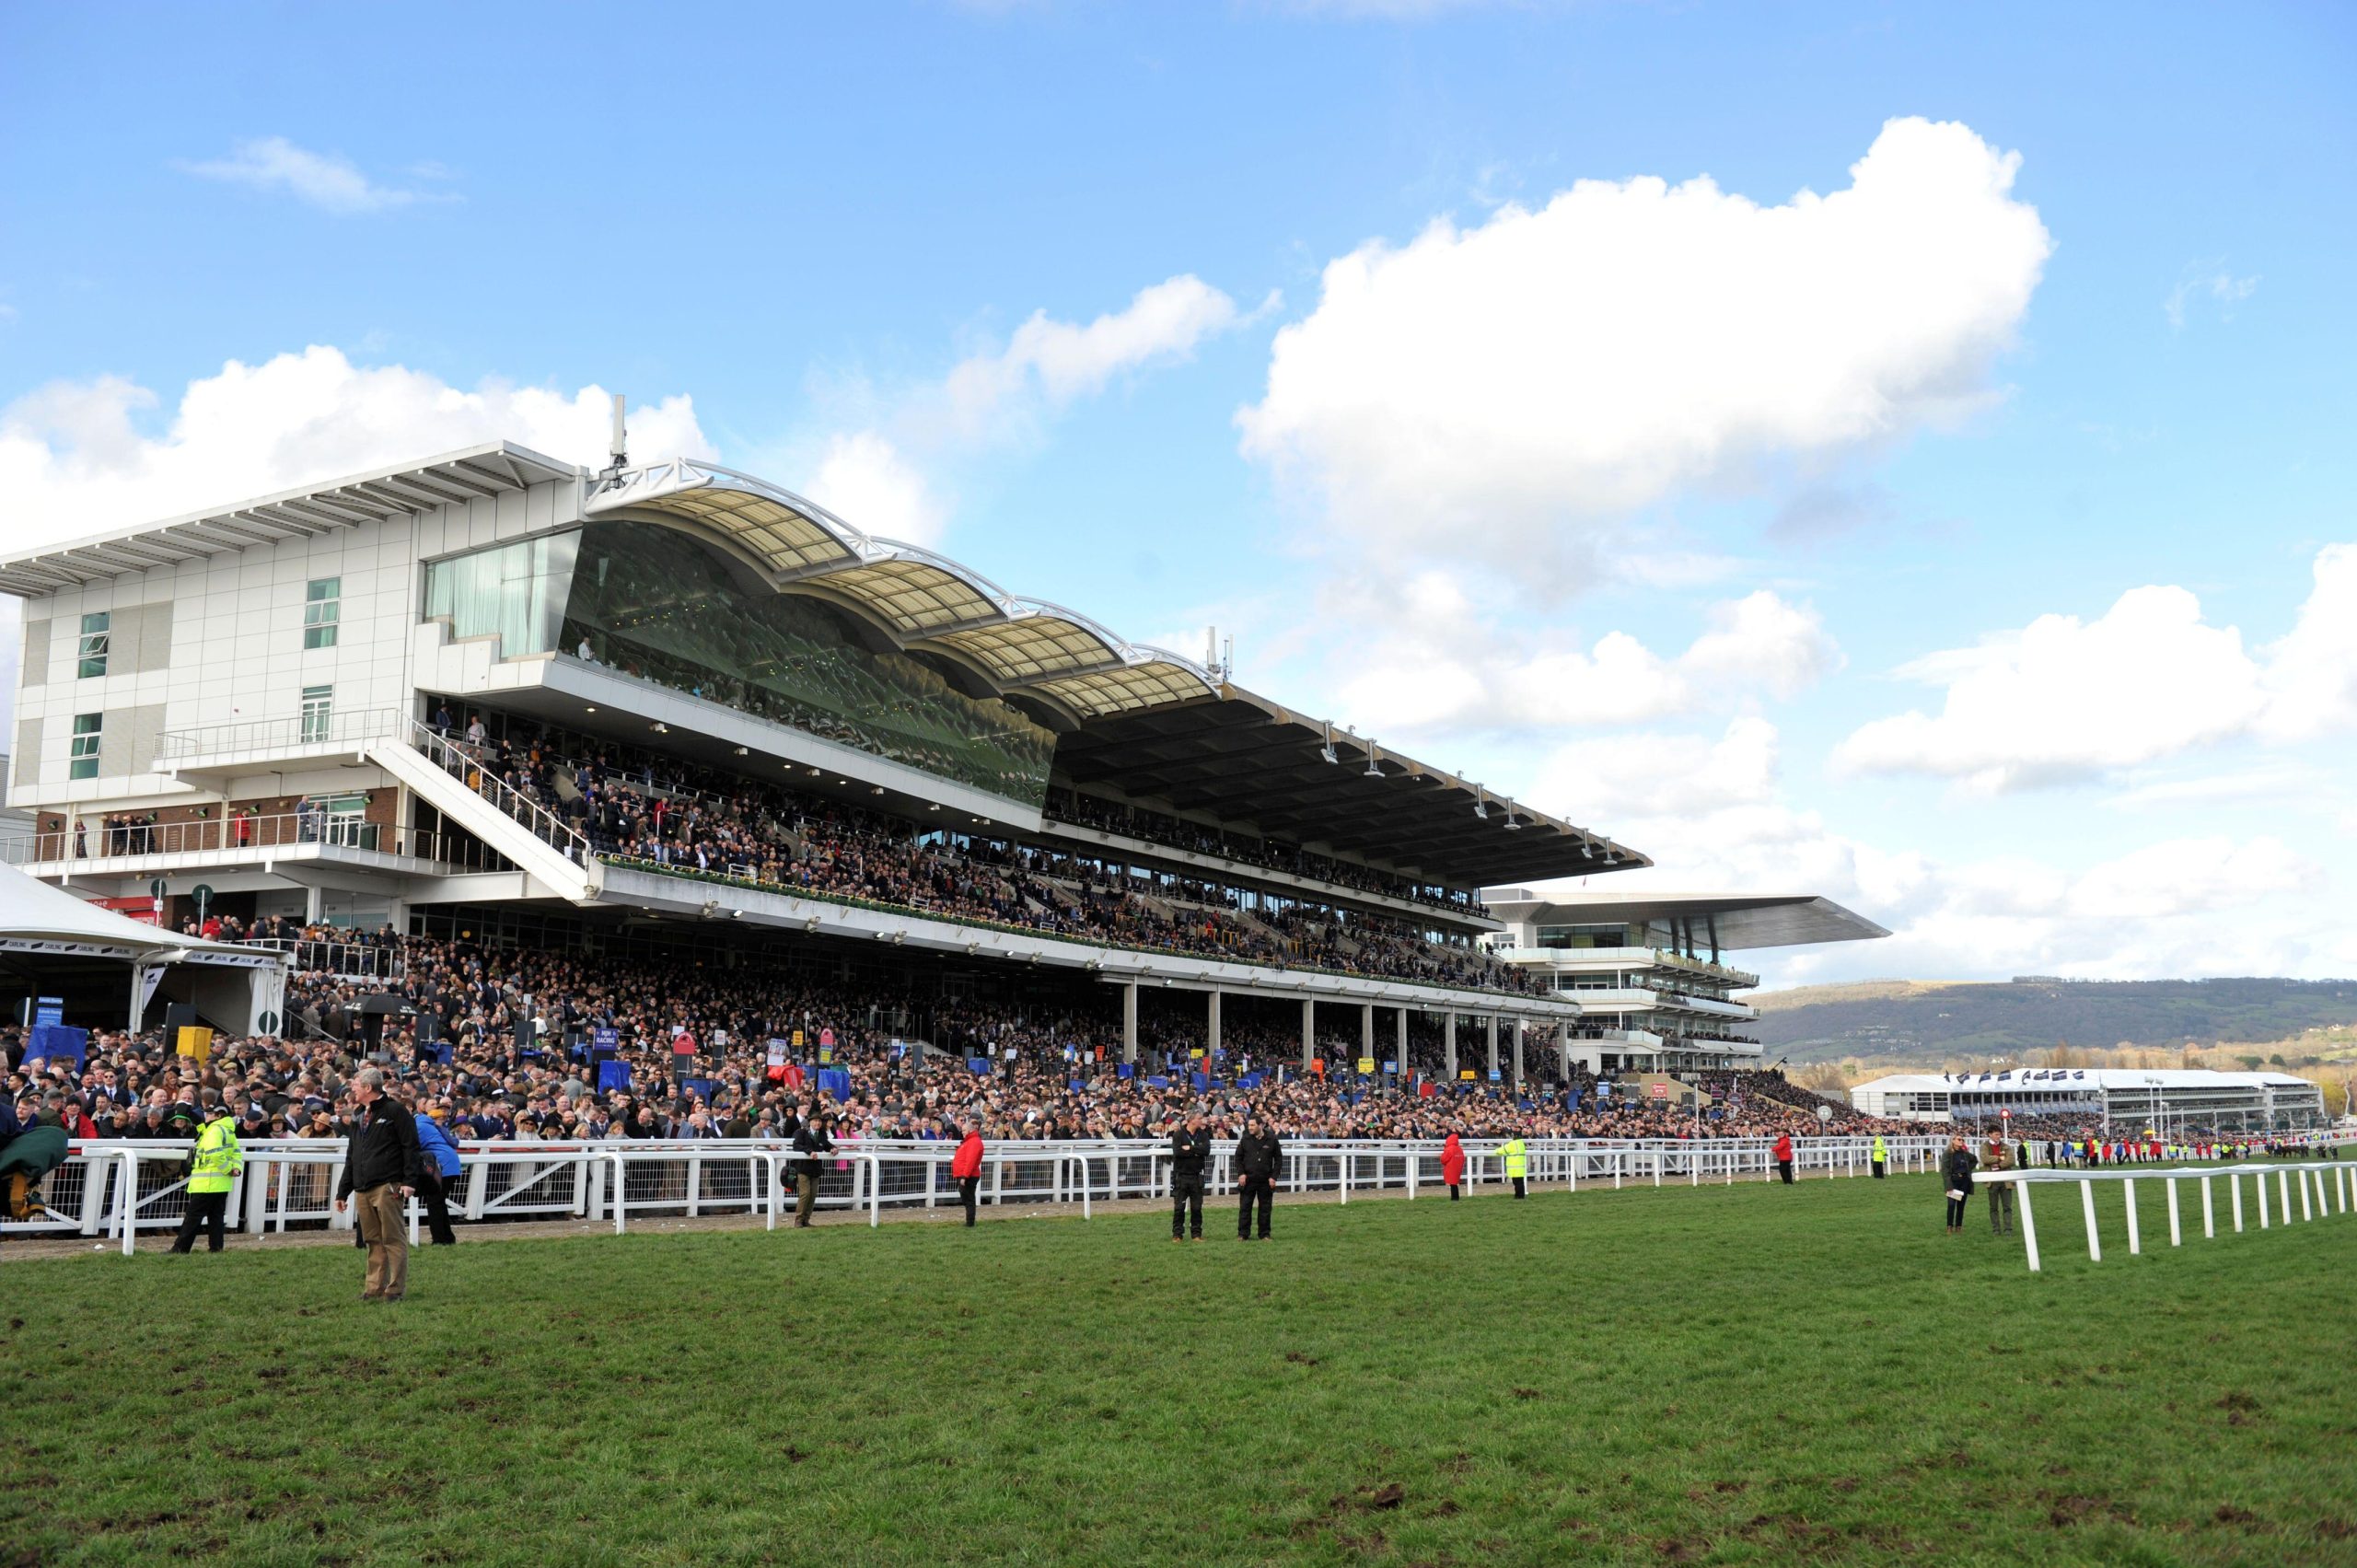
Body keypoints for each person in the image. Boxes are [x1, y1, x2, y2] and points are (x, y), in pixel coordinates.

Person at [333, 1068, 422, 1303]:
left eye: (355, 1085)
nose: (352, 1088)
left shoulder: (395, 1111)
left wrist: (409, 1182)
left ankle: (394, 1289)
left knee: (392, 1238)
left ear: (368, 1088)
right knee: (372, 1239)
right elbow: (352, 1155)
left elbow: (411, 1147)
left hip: (387, 1185)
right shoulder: (359, 1114)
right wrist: (343, 1191)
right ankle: (373, 1287)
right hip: (363, 1187)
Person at [168, 1102, 243, 1254]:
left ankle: (180, 1248)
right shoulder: (229, 1131)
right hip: (221, 1182)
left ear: (218, 1115)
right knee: (216, 1217)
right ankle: (216, 1248)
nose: (206, 1115)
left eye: (209, 1113)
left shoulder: (213, 1130)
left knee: (193, 1217)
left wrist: (228, 1169)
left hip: (207, 1182)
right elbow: (236, 1153)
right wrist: (235, 1169)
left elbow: (215, 1153)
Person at [412, 1109, 464, 1246]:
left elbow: (411, 1146)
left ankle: (439, 1239)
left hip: (443, 1165)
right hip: (450, 1164)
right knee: (439, 1202)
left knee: (434, 1202)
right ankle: (447, 1238)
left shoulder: (418, 1127)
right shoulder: (428, 1125)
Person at [1233, 1110, 1283, 1240]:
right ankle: (1243, 1234)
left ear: (1261, 1125)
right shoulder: (1245, 1139)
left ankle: (1264, 1234)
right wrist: (1241, 1173)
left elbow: (1278, 1159)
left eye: (1253, 1125)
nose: (1250, 1128)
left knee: (1265, 1209)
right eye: (1249, 1125)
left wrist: (1274, 1177)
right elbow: (1238, 1158)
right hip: (1248, 1179)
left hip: (1265, 1180)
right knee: (1245, 1208)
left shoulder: (1272, 1138)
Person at [1168, 1111, 1211, 1242]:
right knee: (1179, 1207)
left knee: (1197, 1207)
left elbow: (1206, 1151)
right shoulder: (1179, 1134)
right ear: (1191, 1120)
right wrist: (1197, 1150)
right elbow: (1178, 1152)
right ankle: (1177, 1234)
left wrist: (1191, 1148)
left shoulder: (1203, 1134)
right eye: (1199, 1118)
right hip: (1181, 1176)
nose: (1202, 1121)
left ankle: (1196, 1234)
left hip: (1196, 1176)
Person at [791, 1109, 834, 1227]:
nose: (818, 1123)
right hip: (803, 1168)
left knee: (813, 1194)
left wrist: (832, 1148)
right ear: (810, 1122)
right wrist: (810, 1152)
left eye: (819, 1121)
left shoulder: (821, 1134)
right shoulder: (801, 1132)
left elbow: (826, 1144)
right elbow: (797, 1145)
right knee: (805, 1193)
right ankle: (798, 1219)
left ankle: (806, 1219)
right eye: (815, 1121)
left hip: (815, 1169)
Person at [1942, 1135, 1978, 1236]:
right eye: (1959, 1139)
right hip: (1954, 1182)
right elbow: (1945, 1171)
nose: (1961, 1141)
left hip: (1964, 1181)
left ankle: (1959, 1227)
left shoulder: (1964, 1153)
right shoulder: (1948, 1154)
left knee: (1961, 1206)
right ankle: (1949, 1226)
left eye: (1962, 1139)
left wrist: (1968, 1169)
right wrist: (1949, 1186)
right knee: (1952, 1204)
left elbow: (1974, 1159)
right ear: (1953, 1141)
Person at [950, 1121, 983, 1226]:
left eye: (964, 1130)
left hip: (968, 1175)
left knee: (968, 1200)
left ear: (970, 1130)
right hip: (966, 1174)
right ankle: (970, 1222)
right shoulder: (970, 1141)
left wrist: (964, 1176)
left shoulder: (973, 1141)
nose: (962, 1132)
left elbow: (971, 1161)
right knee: (968, 1199)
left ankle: (970, 1223)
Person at [1985, 1136, 2015, 1237]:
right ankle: (1996, 1229)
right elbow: (1985, 1158)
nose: (1998, 1136)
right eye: (1996, 1134)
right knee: (1993, 1207)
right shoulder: (1985, 1146)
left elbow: (2011, 1160)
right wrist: (1999, 1157)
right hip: (1992, 1180)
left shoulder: (2006, 1146)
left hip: (2006, 1180)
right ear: (1990, 1134)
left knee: (2007, 1206)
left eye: (1999, 1134)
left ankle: (2008, 1229)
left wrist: (1999, 1165)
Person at [1500, 1132, 1528, 1199]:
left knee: (1517, 1183)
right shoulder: (1521, 1144)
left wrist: (1495, 1151)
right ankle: (1520, 1196)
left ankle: (1518, 1196)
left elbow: (1503, 1150)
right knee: (1520, 1182)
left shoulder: (1513, 1144)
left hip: (1515, 1167)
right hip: (1520, 1167)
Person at [1441, 1130, 1467, 1201]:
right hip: (1458, 1167)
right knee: (1454, 1183)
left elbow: (1444, 1159)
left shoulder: (1449, 1149)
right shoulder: (1459, 1149)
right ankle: (1455, 1197)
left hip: (1451, 1167)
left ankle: (1454, 1198)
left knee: (1453, 1184)